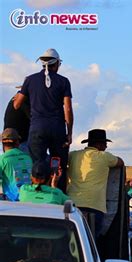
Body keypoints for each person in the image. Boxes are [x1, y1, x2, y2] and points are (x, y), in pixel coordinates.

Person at [14, 48, 73, 193]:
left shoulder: (30, 80)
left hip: (37, 129)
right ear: (57, 64)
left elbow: (16, 104)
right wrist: (69, 132)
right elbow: (68, 109)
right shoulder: (64, 81)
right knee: (58, 165)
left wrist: (27, 91)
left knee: (37, 165)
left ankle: (36, 195)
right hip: (57, 129)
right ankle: (57, 195)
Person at [67, 129, 124, 238]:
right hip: (95, 206)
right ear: (99, 144)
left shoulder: (73, 155)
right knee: (91, 241)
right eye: (105, 144)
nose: (106, 147)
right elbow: (120, 162)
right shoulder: (105, 156)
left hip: (73, 204)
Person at [0, 128, 33, 201]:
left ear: (3, 143)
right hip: (29, 198)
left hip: (11, 200)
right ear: (17, 142)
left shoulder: (2, 159)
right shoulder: (28, 157)